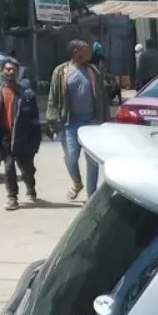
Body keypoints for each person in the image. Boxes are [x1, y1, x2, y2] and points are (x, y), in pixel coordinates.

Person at [45, 39, 108, 201]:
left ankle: (91, 197)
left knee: (92, 162)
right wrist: (51, 119)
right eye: (86, 50)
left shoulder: (93, 71)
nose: (89, 53)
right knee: (71, 158)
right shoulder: (61, 72)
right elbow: (53, 98)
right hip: (70, 123)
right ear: (75, 52)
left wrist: (105, 120)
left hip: (92, 122)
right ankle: (77, 182)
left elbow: (102, 98)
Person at [0, 57, 41, 212]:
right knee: (9, 167)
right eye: (7, 69)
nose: (10, 72)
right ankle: (12, 197)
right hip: (6, 138)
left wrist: (35, 142)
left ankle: (30, 185)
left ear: (17, 73)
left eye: (13, 70)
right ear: (1, 71)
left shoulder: (27, 95)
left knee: (26, 168)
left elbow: (35, 121)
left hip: (23, 138)